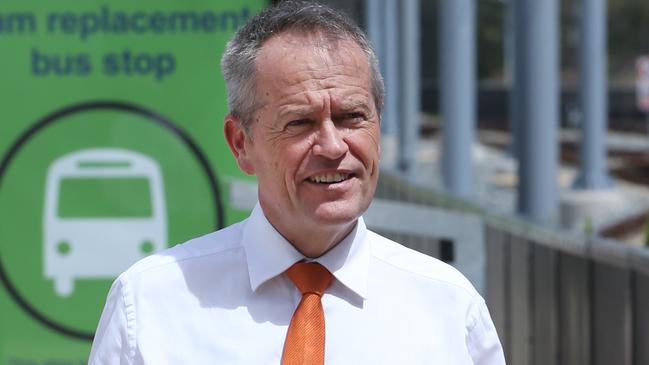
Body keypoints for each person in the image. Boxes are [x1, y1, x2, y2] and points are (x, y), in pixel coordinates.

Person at [88, 1, 506, 364]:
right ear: (241, 144)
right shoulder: (150, 304)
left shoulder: (449, 308)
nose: (332, 145)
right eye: (300, 122)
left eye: (352, 117)